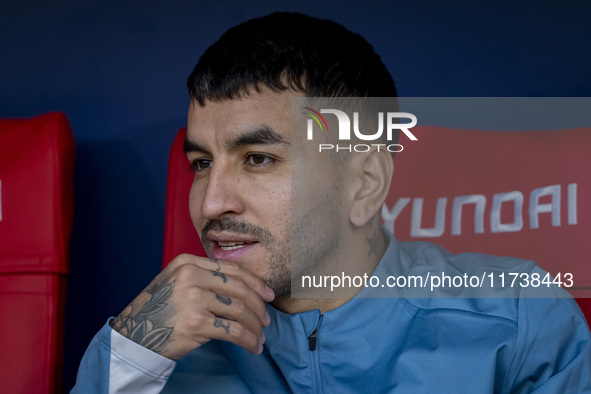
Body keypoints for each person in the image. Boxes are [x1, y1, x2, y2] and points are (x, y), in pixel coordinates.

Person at [72, 12, 591, 393]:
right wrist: (129, 357)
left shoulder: (518, 317)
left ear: (363, 183)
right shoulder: (159, 345)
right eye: (202, 163)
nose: (210, 204)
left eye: (258, 158)